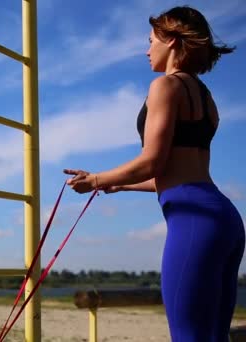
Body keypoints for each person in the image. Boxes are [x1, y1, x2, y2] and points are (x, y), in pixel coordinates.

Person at [63, 5, 244, 341]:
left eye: (151, 41)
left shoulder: (164, 87)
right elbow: (176, 172)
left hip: (193, 222)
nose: (147, 50)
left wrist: (98, 180)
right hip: (225, 220)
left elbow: (152, 161)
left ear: (172, 40)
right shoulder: (207, 99)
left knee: (189, 336)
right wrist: (121, 186)